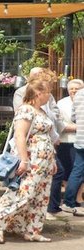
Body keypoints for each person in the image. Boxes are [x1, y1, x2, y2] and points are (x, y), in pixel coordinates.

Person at [0, 78, 58, 243]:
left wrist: (52, 161)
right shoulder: (26, 110)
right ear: (39, 93)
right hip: (32, 160)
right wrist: (24, 160)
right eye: (47, 92)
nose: (49, 95)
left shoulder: (42, 112)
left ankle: (33, 230)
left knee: (41, 196)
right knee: (23, 193)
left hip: (44, 161)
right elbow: (20, 135)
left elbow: (49, 138)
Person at [49, 78, 81, 216]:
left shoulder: (78, 100)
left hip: (78, 140)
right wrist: (78, 127)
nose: (74, 91)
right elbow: (59, 123)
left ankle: (75, 200)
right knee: (69, 172)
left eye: (77, 88)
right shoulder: (62, 103)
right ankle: (70, 201)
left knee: (77, 171)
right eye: (71, 88)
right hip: (65, 140)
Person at [62, 84, 84, 216]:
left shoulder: (79, 95)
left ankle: (68, 202)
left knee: (77, 171)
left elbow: (74, 117)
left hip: (81, 138)